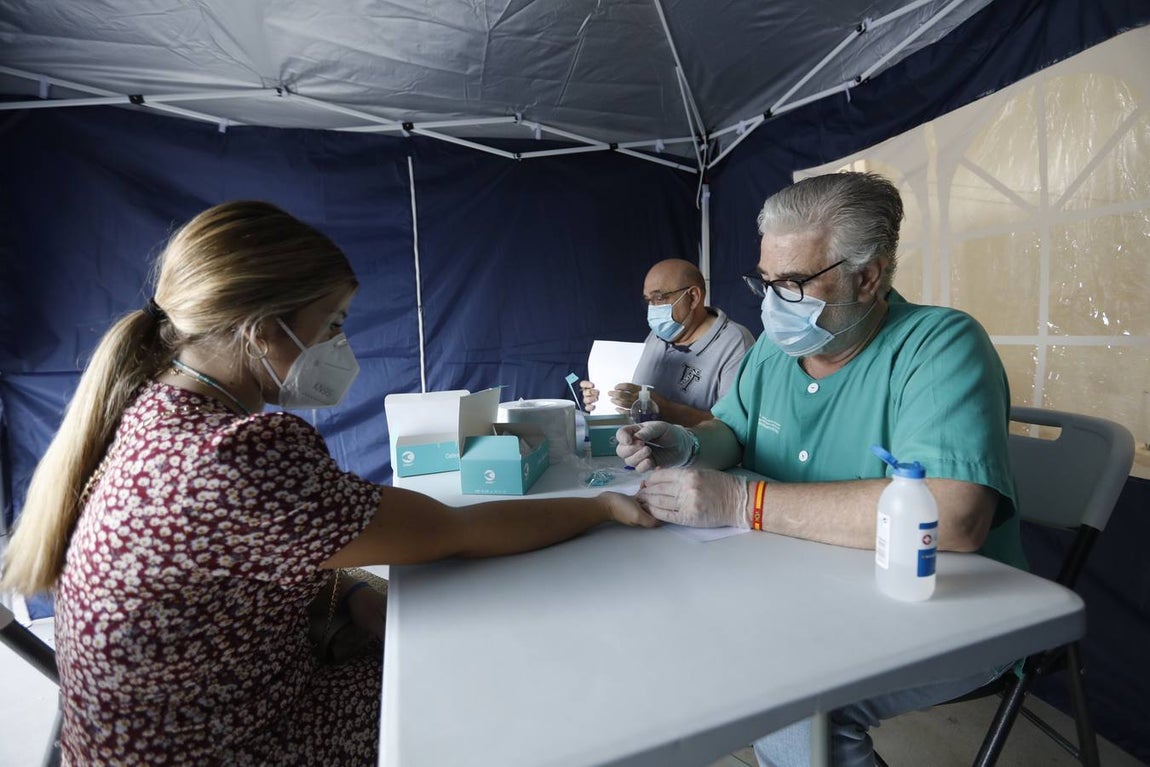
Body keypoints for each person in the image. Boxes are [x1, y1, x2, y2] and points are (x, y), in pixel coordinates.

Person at [0, 201, 657, 767]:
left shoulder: (149, 408)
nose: (342, 344)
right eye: (334, 323)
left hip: (136, 740)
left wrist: (345, 595)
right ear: (262, 332)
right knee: (478, 684)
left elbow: (238, 560)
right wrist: (600, 503)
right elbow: (456, 531)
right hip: (229, 746)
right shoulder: (234, 452)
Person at [615, 172, 1025, 767]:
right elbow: (733, 430)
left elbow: (954, 516)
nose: (772, 301)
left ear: (868, 276)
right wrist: (685, 444)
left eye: (794, 283)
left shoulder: (939, 346)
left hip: (950, 609)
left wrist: (743, 502)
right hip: (804, 584)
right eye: (764, 279)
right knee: (676, 633)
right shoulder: (774, 355)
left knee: (792, 710)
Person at [579, 258, 755, 426]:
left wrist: (664, 409)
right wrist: (604, 396)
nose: (652, 309)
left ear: (693, 297)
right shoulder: (658, 335)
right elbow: (636, 394)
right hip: (639, 449)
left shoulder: (735, 344)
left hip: (695, 455)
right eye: (648, 301)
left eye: (659, 298)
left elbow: (734, 425)